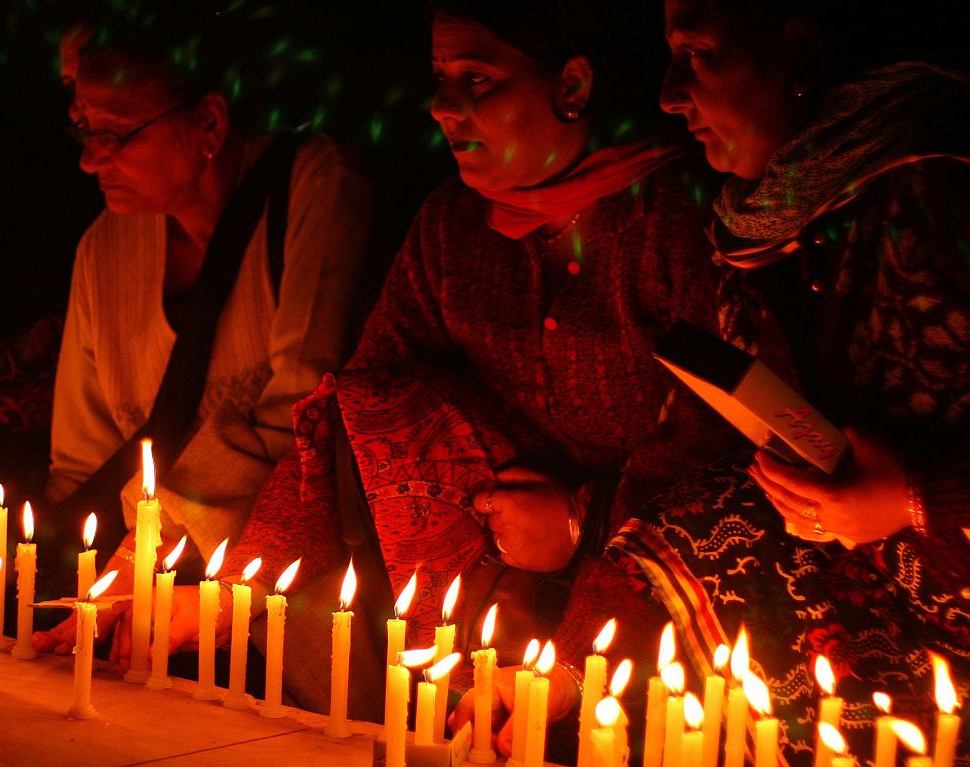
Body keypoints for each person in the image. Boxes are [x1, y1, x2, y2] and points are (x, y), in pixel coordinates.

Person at [145, 0, 737, 726]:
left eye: (477, 79)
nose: (442, 106)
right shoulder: (453, 226)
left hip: (657, 615)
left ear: (573, 89)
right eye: (437, 77)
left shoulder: (681, 226)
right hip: (479, 619)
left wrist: (581, 543)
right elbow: (350, 410)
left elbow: (711, 461)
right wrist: (227, 593)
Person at [452, 0, 970, 762]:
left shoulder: (943, 192)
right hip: (867, 592)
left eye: (698, 54)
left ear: (795, 49)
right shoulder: (753, 233)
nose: (668, 94)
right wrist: (558, 673)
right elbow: (716, 477)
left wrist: (913, 498)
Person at [31, 3, 373, 655]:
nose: (89, 160)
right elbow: (81, 458)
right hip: (127, 604)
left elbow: (300, 411)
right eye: (82, 131)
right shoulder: (104, 248)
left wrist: (146, 560)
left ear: (210, 121)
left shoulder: (317, 186)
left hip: (286, 605)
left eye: (118, 133)